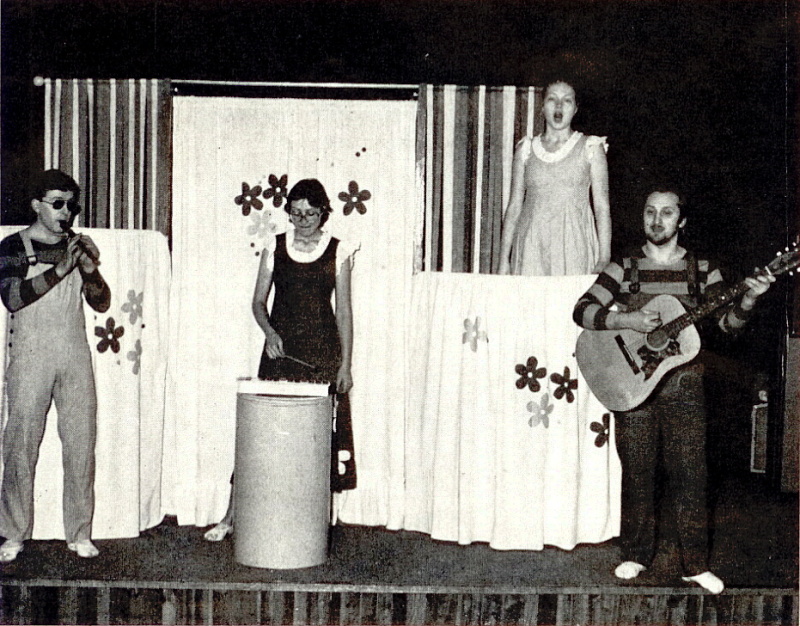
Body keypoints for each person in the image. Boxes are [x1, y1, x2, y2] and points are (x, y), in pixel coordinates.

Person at [572, 187, 774, 593]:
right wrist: (627, 320)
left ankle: (694, 565)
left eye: (667, 213)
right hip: (633, 384)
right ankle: (635, 554)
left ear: (682, 221)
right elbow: (583, 310)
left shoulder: (703, 270)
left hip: (685, 383)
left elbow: (727, 326)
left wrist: (749, 300)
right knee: (638, 472)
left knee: (691, 474)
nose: (656, 220)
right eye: (650, 211)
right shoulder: (624, 266)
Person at [205, 178, 357, 541]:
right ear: (288, 212)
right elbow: (258, 302)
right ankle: (230, 518)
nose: (303, 220)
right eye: (296, 212)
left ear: (323, 214)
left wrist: (345, 365)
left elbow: (344, 312)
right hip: (280, 351)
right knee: (260, 436)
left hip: (321, 354)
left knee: (316, 442)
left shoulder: (339, 251)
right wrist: (270, 333)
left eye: (310, 213)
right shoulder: (274, 246)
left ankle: (308, 526)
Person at [0, 169, 110, 562]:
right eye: (58, 204)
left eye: (71, 206)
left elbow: (101, 302)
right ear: (36, 205)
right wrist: (60, 269)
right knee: (20, 445)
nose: (66, 213)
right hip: (30, 355)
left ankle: (79, 533)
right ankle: (13, 533)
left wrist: (90, 270)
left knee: (81, 444)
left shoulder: (75, 246)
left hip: (74, 353)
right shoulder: (13, 246)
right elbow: (12, 297)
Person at [498, 79, 611, 276]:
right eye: (552, 99)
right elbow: (514, 207)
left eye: (567, 100)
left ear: (575, 108)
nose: (559, 106)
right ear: (542, 107)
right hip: (531, 247)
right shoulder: (525, 149)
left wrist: (604, 259)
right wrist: (503, 261)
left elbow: (602, 207)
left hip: (574, 247)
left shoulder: (591, 147)